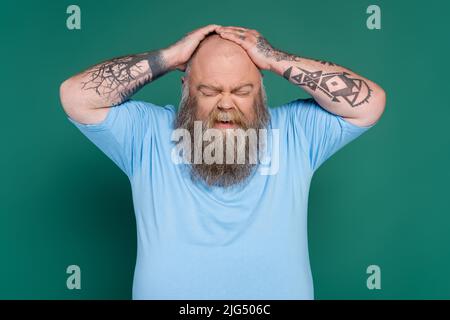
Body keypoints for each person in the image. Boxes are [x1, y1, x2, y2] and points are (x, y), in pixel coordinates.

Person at [59, 24, 386, 299]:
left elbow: (369, 103)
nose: (226, 103)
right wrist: (171, 57)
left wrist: (275, 59)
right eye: (210, 90)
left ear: (260, 90)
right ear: (186, 88)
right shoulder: (145, 134)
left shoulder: (296, 132)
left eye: (241, 90)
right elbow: (75, 96)